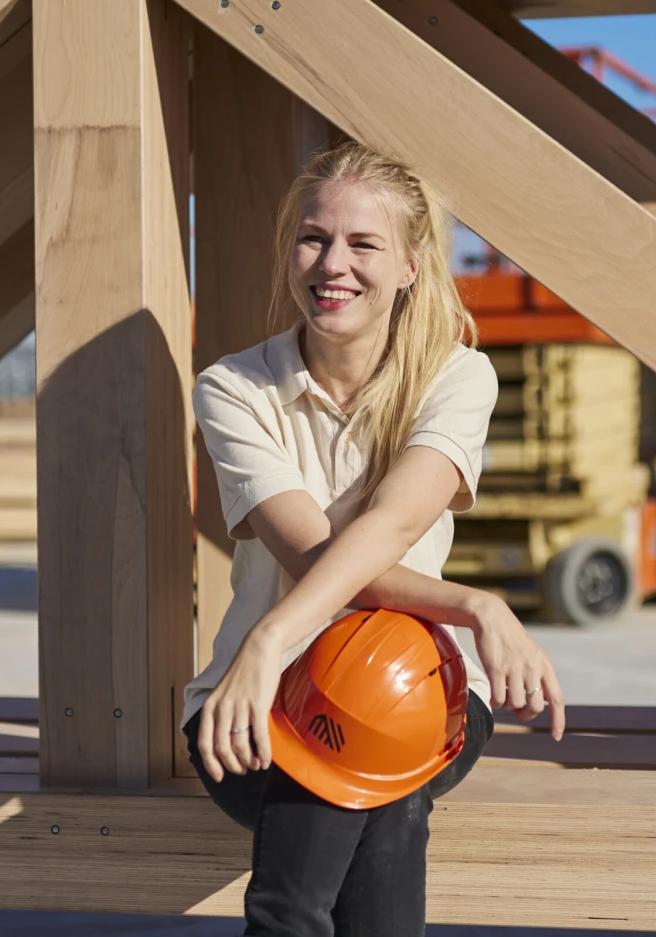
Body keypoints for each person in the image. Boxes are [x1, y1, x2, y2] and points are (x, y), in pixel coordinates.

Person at [184, 141, 567, 936]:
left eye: (364, 244)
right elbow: (315, 559)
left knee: (378, 707)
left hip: (419, 693)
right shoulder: (231, 388)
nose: (333, 264)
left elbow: (391, 524)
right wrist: (475, 605)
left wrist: (277, 632)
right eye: (315, 238)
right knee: (382, 773)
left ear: (411, 266)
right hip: (253, 705)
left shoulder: (456, 378)